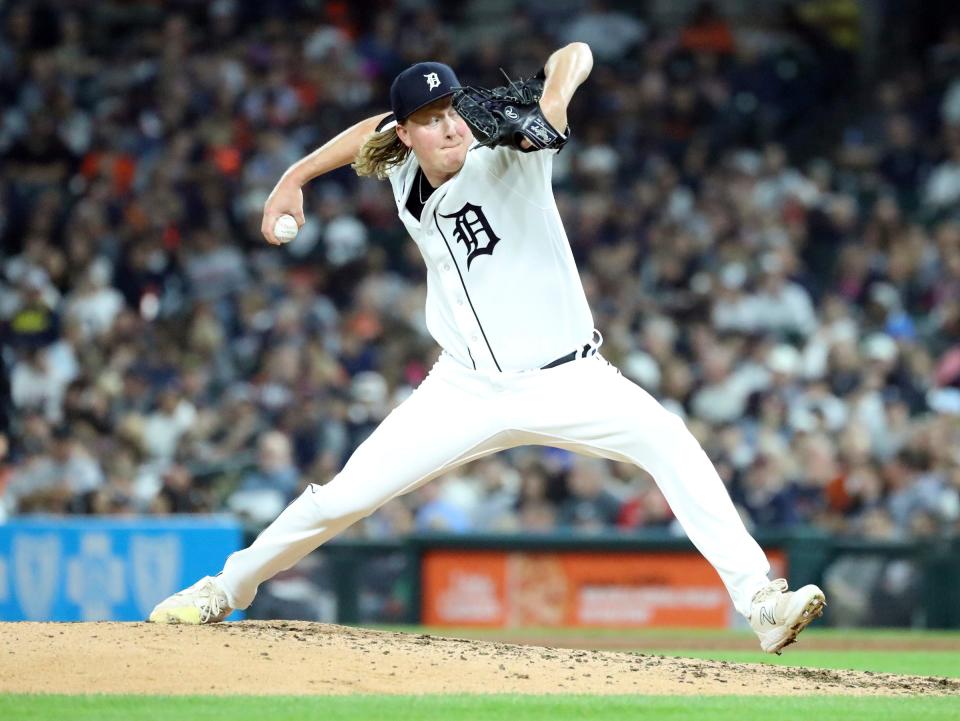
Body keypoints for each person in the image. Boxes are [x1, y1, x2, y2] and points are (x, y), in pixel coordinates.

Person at [149, 43, 825, 653]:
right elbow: (367, 132)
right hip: (463, 389)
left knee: (670, 440)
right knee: (338, 499)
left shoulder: (513, 153)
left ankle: (761, 601)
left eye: (454, 111)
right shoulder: (399, 163)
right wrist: (292, 176)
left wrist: (553, 102)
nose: (449, 125)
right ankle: (223, 590)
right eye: (432, 118)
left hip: (569, 380)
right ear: (408, 133)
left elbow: (576, 52)